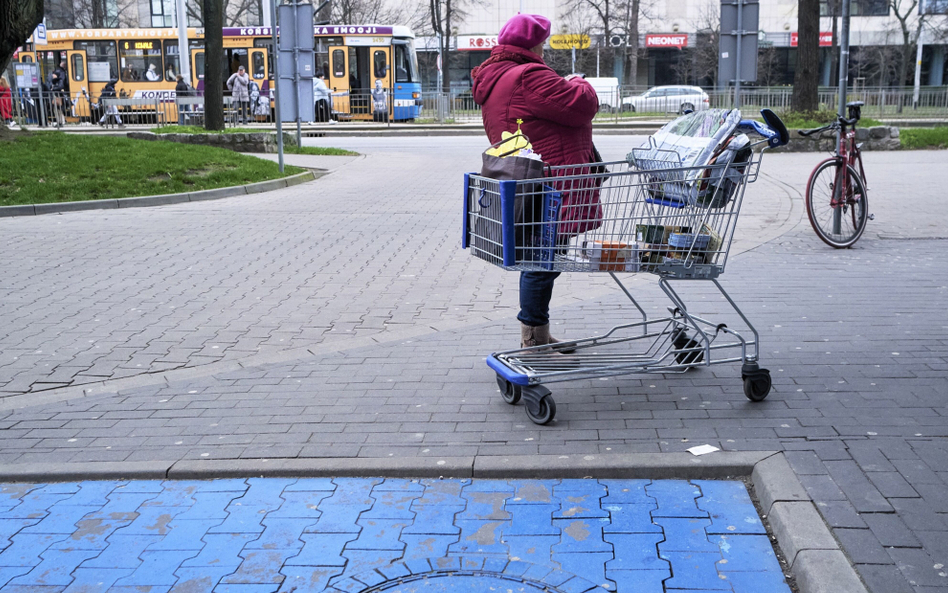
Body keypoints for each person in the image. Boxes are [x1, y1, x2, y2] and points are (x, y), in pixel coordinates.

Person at [471, 13, 600, 349]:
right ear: (534, 43)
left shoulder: (498, 75)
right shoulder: (529, 76)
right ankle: (532, 339)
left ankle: (538, 334)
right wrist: (580, 82)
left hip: (527, 180)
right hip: (550, 182)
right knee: (543, 262)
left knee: (542, 259)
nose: (544, 47)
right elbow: (581, 105)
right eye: (543, 41)